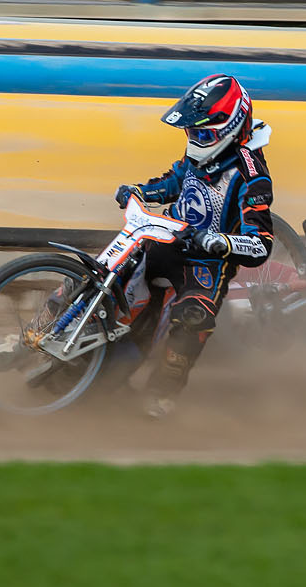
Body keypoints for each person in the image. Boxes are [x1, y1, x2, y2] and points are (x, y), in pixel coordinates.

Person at [112, 74, 273, 417]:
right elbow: (175, 180)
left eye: (203, 134)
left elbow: (260, 244)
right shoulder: (200, 152)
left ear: (230, 128)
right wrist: (141, 191)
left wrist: (219, 241)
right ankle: (40, 332)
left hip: (206, 264)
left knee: (194, 317)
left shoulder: (252, 176)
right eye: (191, 133)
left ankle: (161, 393)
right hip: (165, 237)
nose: (195, 141)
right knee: (111, 272)